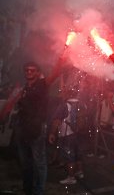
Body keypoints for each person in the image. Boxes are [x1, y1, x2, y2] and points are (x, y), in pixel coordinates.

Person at [14, 60, 64, 195]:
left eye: (32, 70)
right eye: (27, 70)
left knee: (39, 163)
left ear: (37, 72)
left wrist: (64, 52)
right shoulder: (25, 88)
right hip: (22, 129)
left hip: (36, 129)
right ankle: (28, 189)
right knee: (25, 163)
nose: (29, 72)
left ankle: (39, 191)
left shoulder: (42, 84)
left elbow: (55, 73)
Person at [48, 89, 84, 185]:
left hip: (67, 134)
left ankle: (71, 177)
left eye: (63, 92)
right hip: (78, 133)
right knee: (77, 153)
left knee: (69, 156)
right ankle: (79, 172)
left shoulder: (64, 105)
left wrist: (52, 133)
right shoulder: (81, 104)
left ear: (67, 94)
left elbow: (57, 121)